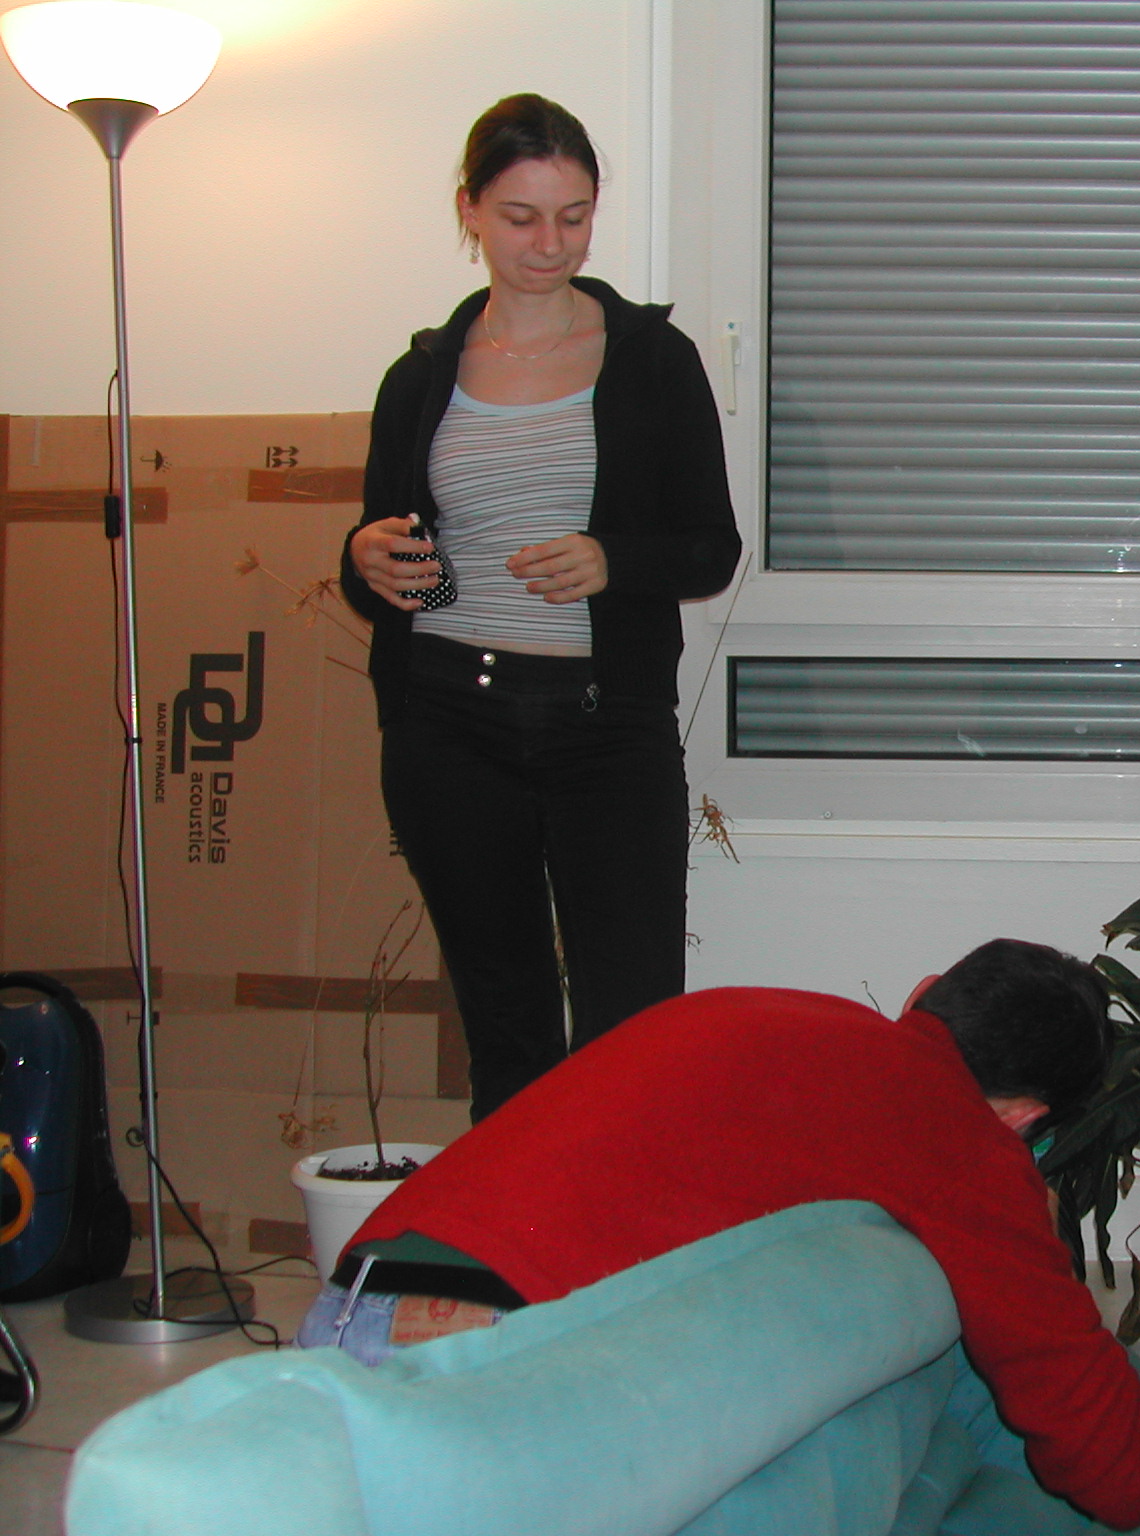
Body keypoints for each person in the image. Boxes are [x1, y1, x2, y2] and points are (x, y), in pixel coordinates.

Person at [294, 939, 1140, 1531]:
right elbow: (1117, 1472)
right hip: (496, 1364)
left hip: (343, 1309)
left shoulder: (768, 1010)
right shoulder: (965, 1140)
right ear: (1024, 1117)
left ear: (922, 995)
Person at [339, 94, 741, 1121]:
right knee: (506, 1027)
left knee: (632, 1027)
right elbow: (386, 558)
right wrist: (363, 557)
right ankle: (517, 1221)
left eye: (574, 216)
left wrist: (612, 560)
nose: (550, 244)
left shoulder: (653, 359)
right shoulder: (420, 375)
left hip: (606, 728)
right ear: (470, 210)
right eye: (521, 217)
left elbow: (711, 547)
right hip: (446, 723)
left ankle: (619, 1218)